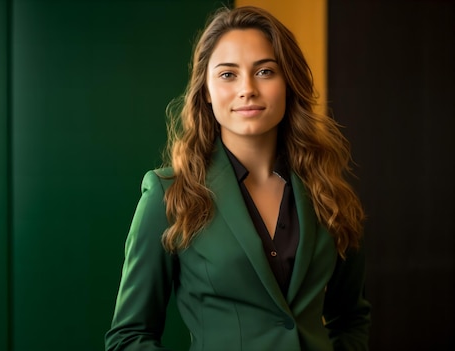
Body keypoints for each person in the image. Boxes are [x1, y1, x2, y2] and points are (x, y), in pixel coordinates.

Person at [105, 5, 371, 351]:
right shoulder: (169, 193)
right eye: (228, 75)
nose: (247, 88)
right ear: (206, 90)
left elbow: (351, 319)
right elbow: (129, 337)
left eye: (264, 71)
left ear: (288, 82)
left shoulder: (329, 191)